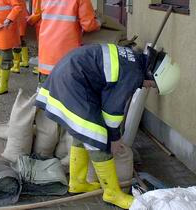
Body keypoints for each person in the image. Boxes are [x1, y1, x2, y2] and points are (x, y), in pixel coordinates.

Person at [35, 43, 180, 209]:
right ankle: (112, 193)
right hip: (71, 83)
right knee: (98, 137)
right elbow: (112, 110)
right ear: (153, 73)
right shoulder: (133, 74)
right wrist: (114, 138)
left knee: (84, 133)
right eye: (153, 84)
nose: (149, 87)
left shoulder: (133, 60)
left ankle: (77, 182)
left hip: (69, 78)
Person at [38, 0, 100, 83]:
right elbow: (88, 25)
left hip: (47, 51)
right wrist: (99, 23)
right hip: (67, 52)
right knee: (65, 93)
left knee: (45, 93)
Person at [26, 0, 45, 74]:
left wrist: (29, 21)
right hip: (41, 21)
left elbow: (38, 13)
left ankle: (41, 68)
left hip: (41, 22)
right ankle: (41, 66)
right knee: (41, 45)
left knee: (41, 45)